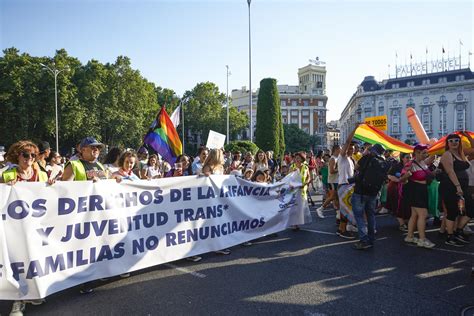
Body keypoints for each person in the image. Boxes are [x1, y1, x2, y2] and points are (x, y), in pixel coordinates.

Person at [2, 141, 48, 315]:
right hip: (15, 228)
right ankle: (17, 301)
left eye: (33, 156)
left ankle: (33, 292)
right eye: (26, 155)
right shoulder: (8, 174)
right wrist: (6, 186)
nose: (30, 159)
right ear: (17, 156)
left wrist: (52, 184)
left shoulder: (41, 174)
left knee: (34, 260)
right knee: (18, 262)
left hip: (36, 226)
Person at [62, 137, 109, 293]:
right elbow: (63, 190)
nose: (96, 150)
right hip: (82, 215)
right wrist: (87, 185)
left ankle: (98, 273)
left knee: (99, 245)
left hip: (99, 213)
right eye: (92, 147)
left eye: (98, 148)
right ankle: (85, 280)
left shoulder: (100, 165)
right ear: (82, 150)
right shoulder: (74, 165)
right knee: (85, 248)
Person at [351, 144, 390, 250]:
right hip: (373, 193)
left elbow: (356, 167)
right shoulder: (384, 163)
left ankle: (364, 240)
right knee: (371, 216)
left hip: (360, 191)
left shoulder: (367, 158)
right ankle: (371, 239)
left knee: (359, 217)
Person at [438, 133, 473, 247]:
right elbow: (450, 171)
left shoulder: (460, 154)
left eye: (457, 140)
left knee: (468, 210)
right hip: (451, 187)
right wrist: (458, 186)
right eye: (451, 140)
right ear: (447, 143)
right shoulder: (447, 154)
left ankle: (458, 231)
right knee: (452, 212)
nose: (454, 142)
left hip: (463, 187)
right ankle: (450, 237)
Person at [403, 144, 436, 248]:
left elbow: (432, 158)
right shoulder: (411, 164)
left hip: (421, 191)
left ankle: (409, 236)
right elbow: (402, 179)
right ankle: (422, 239)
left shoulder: (422, 162)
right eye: (424, 153)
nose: (426, 154)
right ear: (416, 152)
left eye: (426, 152)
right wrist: (406, 175)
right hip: (415, 191)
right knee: (423, 214)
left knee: (414, 215)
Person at [201, 149, 231, 254]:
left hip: (220, 199)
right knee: (212, 223)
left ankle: (219, 245)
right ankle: (215, 245)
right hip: (210, 200)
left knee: (220, 222)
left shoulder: (221, 168)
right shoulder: (207, 167)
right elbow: (204, 181)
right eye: (221, 154)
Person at [336, 126, 357, 239]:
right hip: (344, 186)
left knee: (345, 209)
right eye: (350, 147)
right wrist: (354, 129)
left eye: (353, 148)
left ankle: (340, 229)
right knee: (345, 209)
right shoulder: (342, 157)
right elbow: (348, 141)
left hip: (349, 186)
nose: (352, 149)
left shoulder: (350, 159)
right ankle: (343, 231)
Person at [386, 153, 412, 231]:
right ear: (402, 158)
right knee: (398, 206)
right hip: (395, 189)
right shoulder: (397, 166)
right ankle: (402, 224)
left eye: (410, 157)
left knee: (406, 206)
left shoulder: (411, 166)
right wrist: (399, 180)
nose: (409, 159)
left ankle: (406, 221)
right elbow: (389, 175)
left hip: (407, 189)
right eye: (407, 157)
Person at [289, 151, 311, 231]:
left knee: (300, 207)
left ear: (302, 159)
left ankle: (298, 222)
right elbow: (289, 178)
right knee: (294, 207)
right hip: (294, 190)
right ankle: (294, 223)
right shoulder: (292, 166)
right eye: (296, 158)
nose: (297, 159)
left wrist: (306, 183)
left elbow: (308, 177)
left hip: (302, 189)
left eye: (299, 158)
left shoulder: (305, 167)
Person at [316, 145, 340, 216]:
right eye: (340, 149)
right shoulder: (332, 158)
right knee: (332, 196)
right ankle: (321, 209)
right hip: (333, 181)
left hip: (336, 180)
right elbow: (332, 171)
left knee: (336, 197)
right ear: (336, 149)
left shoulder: (337, 158)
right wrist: (339, 169)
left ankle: (338, 214)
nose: (341, 150)